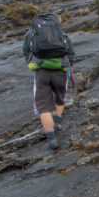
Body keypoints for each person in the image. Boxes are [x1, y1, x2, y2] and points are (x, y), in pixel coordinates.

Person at [23, 13, 75, 150]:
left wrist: (34, 64)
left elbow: (26, 53)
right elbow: (71, 54)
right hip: (60, 71)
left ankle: (52, 139)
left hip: (41, 73)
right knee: (60, 96)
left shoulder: (30, 35)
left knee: (43, 105)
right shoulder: (61, 34)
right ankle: (56, 121)